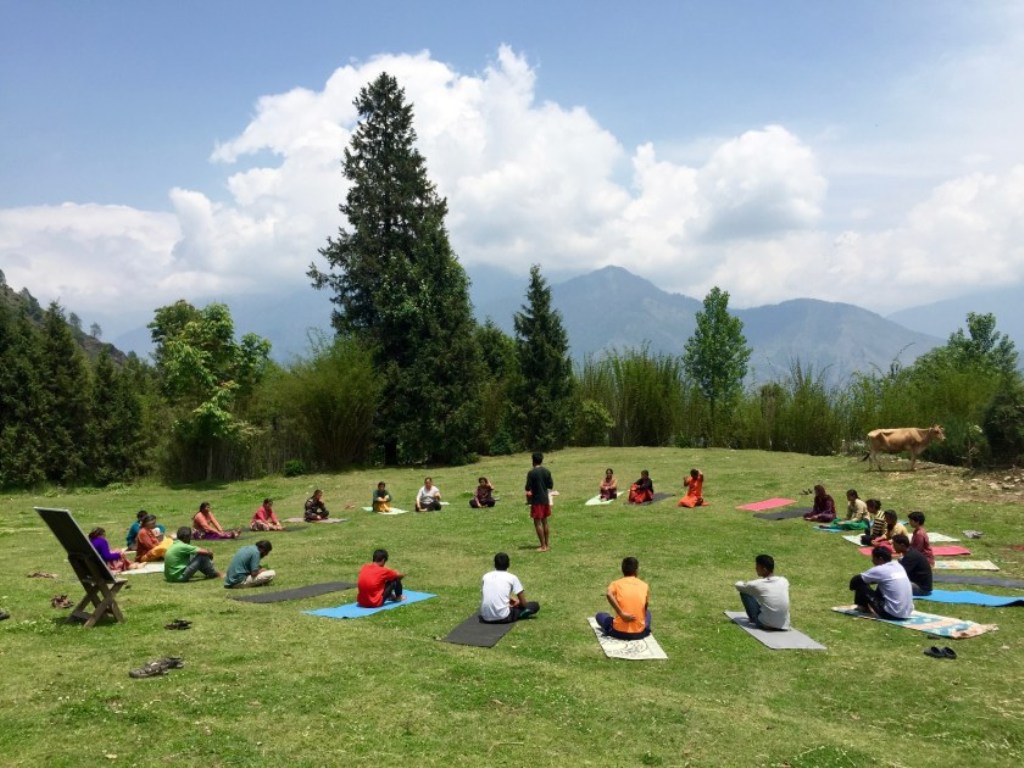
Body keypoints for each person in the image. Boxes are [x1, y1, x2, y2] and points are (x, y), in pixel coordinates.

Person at [849, 546, 914, 620]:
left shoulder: (880, 570)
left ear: (880, 559)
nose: (872, 561)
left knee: (861, 585)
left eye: (873, 558)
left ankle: (863, 607)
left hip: (891, 614)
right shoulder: (898, 566)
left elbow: (854, 581)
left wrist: (855, 588)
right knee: (881, 583)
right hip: (906, 612)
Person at [595, 556, 651, 640]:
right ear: (636, 570)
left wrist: (621, 613)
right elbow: (645, 607)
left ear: (622, 570)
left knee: (600, 615)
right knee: (648, 613)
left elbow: (609, 594)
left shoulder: (616, 584)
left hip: (618, 632)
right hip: (640, 633)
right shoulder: (644, 585)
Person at [734, 554, 791, 630]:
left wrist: (741, 582)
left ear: (764, 569)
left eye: (757, 566)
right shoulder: (784, 581)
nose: (755, 568)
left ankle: (753, 619)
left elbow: (738, 586)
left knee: (745, 592)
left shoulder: (757, 584)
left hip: (765, 624)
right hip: (783, 625)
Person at [479, 552, 539, 623]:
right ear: (508, 564)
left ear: (494, 564)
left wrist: (510, 600)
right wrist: (517, 603)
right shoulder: (512, 577)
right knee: (534, 605)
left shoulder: (486, 576)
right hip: (503, 617)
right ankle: (520, 615)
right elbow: (523, 603)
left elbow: (492, 592)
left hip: (485, 616)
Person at [525, 452, 554, 552]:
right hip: (545, 499)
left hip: (536, 500)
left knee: (537, 523)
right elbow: (550, 485)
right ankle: (547, 544)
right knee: (545, 521)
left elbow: (527, 487)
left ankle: (543, 546)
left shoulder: (531, 473)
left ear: (533, 461)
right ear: (542, 460)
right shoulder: (547, 471)